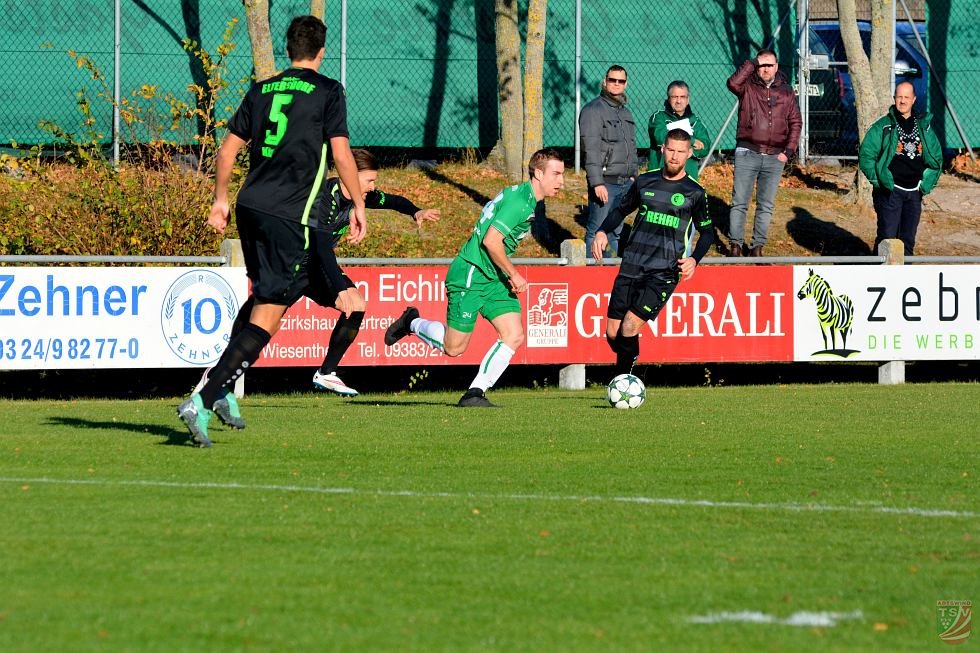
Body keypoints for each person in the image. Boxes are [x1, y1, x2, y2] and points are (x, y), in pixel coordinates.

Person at [178, 15, 366, 447]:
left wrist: (220, 199)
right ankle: (203, 398)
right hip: (289, 214)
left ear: (287, 49)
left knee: (268, 296)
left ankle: (220, 389)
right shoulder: (327, 91)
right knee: (269, 313)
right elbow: (341, 154)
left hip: (249, 205)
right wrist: (358, 204)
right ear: (321, 51)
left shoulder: (262, 89)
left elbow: (228, 149)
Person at [216, 148, 440, 397]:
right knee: (262, 320)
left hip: (316, 268)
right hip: (292, 267)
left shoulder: (360, 197)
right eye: (369, 180)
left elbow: (393, 201)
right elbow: (322, 247)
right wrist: (340, 287)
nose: (373, 186)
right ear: (350, 175)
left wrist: (415, 211)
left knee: (356, 305)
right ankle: (221, 371)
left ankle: (326, 372)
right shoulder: (324, 197)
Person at [383, 149, 566, 407]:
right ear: (538, 173)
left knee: (513, 334)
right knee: (454, 348)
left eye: (562, 175)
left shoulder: (524, 197)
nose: (561, 181)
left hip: (494, 276)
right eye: (556, 174)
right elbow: (491, 242)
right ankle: (412, 321)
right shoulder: (520, 203)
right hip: (472, 272)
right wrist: (514, 274)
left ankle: (475, 393)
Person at [592, 129, 714, 377]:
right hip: (631, 266)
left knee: (629, 326)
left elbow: (708, 233)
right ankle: (631, 361)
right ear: (662, 150)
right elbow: (619, 211)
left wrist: (694, 259)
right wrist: (603, 231)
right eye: (671, 150)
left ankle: (624, 383)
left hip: (664, 271)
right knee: (612, 333)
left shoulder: (695, 192)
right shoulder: (645, 181)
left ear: (689, 154)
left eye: (681, 152)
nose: (675, 156)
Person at [725, 48, 801, 257]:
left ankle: (757, 247)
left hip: (775, 156)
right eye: (762, 65)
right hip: (747, 152)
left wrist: (788, 151)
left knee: (765, 205)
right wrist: (752, 62)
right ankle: (735, 246)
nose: (765, 69)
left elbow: (795, 122)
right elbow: (732, 83)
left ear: (776, 67)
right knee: (740, 201)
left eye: (769, 65)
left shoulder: (786, 91)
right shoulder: (747, 87)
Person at [858, 81, 942, 256]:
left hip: (914, 193)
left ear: (913, 100)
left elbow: (936, 160)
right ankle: (879, 280)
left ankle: (905, 281)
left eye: (906, 97)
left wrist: (925, 185)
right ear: (894, 98)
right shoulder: (883, 125)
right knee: (886, 239)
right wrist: (880, 179)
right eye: (899, 97)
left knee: (908, 242)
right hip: (890, 192)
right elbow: (866, 156)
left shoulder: (924, 127)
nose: (902, 101)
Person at [579, 65, 638, 257]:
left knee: (615, 230)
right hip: (605, 183)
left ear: (625, 84)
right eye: (612, 80)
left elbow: (631, 147)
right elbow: (591, 149)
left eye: (620, 81)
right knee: (597, 230)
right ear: (605, 81)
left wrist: (633, 176)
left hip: (625, 182)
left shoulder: (625, 112)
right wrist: (597, 182)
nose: (616, 84)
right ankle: (592, 275)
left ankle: (609, 273)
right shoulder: (593, 110)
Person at [648, 80, 712, 181]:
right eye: (675, 97)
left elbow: (706, 146)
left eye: (682, 97)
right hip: (659, 178)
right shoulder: (658, 117)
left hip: (688, 179)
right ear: (669, 99)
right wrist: (692, 141)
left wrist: (692, 151)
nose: (678, 101)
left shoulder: (695, 121)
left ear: (688, 99)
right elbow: (660, 136)